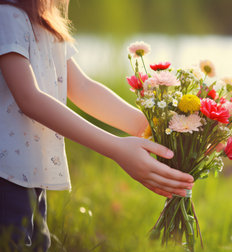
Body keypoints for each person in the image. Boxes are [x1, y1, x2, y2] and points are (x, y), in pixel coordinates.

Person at [0, 0, 194, 250]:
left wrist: (157, 128)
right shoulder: (6, 17)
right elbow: (30, 99)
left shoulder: (44, 22)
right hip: (5, 177)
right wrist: (116, 149)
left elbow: (81, 87)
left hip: (29, 176)